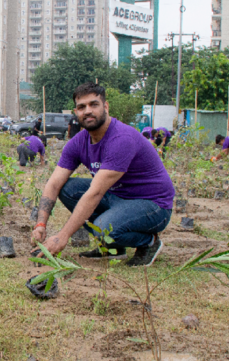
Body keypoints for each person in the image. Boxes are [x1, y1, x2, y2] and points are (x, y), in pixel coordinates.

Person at [31, 83, 173, 266]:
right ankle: (114, 247)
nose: (87, 111)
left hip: (153, 205)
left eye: (94, 104)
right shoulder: (78, 142)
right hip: (118, 198)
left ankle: (149, 243)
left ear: (105, 107)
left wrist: (62, 237)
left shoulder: (121, 139)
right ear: (76, 112)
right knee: (68, 188)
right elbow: (53, 184)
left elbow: (95, 193)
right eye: (82, 107)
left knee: (103, 228)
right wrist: (41, 224)